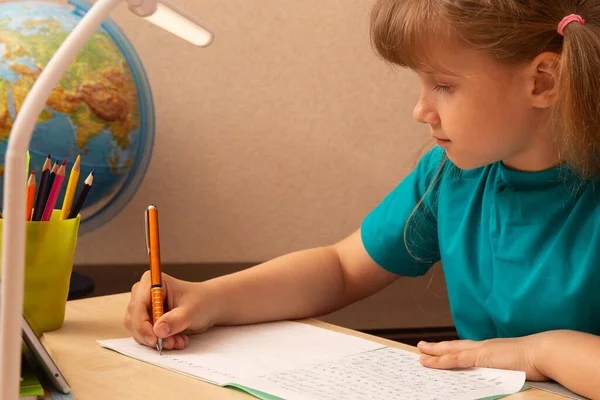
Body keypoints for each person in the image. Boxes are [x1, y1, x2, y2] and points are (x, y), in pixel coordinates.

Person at [125, 1, 600, 397]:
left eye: (444, 85)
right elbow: (341, 268)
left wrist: (540, 351)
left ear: (543, 82)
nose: (420, 110)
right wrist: (209, 298)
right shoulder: (450, 176)